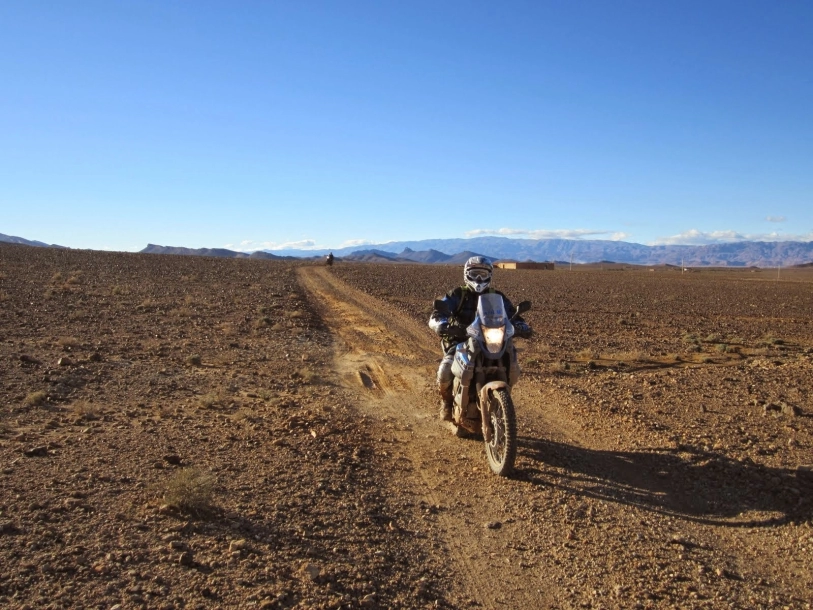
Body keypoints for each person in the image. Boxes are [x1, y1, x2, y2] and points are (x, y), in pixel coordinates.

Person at [428, 256, 531, 421]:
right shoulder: (458, 294)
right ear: (466, 274)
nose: (478, 278)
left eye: (483, 274)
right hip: (461, 339)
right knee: (445, 369)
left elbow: (512, 313)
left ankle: (502, 400)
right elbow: (439, 312)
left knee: (512, 359)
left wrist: (521, 325)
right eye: (474, 274)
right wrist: (441, 323)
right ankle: (446, 402)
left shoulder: (497, 296)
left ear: (489, 275)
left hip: (489, 339)